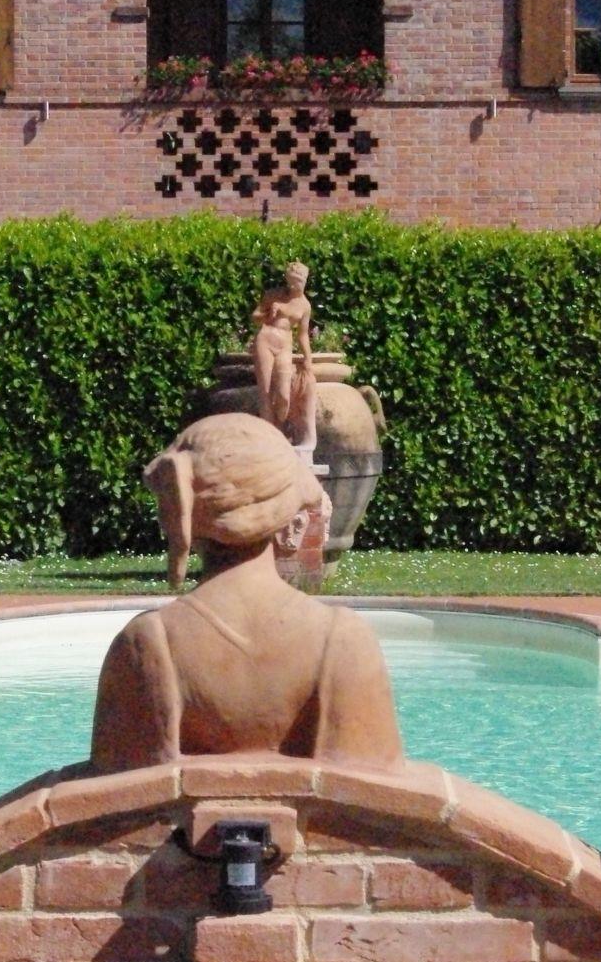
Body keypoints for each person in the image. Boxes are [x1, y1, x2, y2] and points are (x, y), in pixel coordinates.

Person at [89, 413, 404, 770]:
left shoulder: (145, 642)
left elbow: (115, 786)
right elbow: (375, 783)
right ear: (285, 513)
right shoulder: (344, 640)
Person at [250, 262, 315, 439]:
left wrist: (308, 358)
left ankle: (278, 428)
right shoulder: (274, 295)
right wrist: (268, 313)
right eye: (291, 282)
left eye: (298, 282)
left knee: (283, 394)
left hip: (285, 343)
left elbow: (302, 334)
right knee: (265, 391)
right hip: (266, 337)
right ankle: (270, 435)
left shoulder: (305, 306)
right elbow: (255, 316)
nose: (294, 286)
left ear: (304, 281)